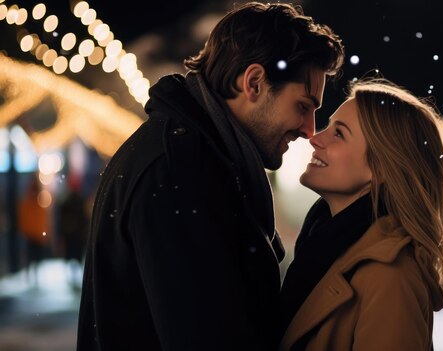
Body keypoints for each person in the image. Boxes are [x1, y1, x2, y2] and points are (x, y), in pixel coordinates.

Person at [77, 3, 344, 350]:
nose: (309, 131)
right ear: (254, 83)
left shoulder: (196, 157)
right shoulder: (179, 172)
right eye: (303, 106)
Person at [279, 79, 443, 351]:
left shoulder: (390, 276)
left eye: (339, 134)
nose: (315, 138)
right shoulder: (326, 244)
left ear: (380, 169)